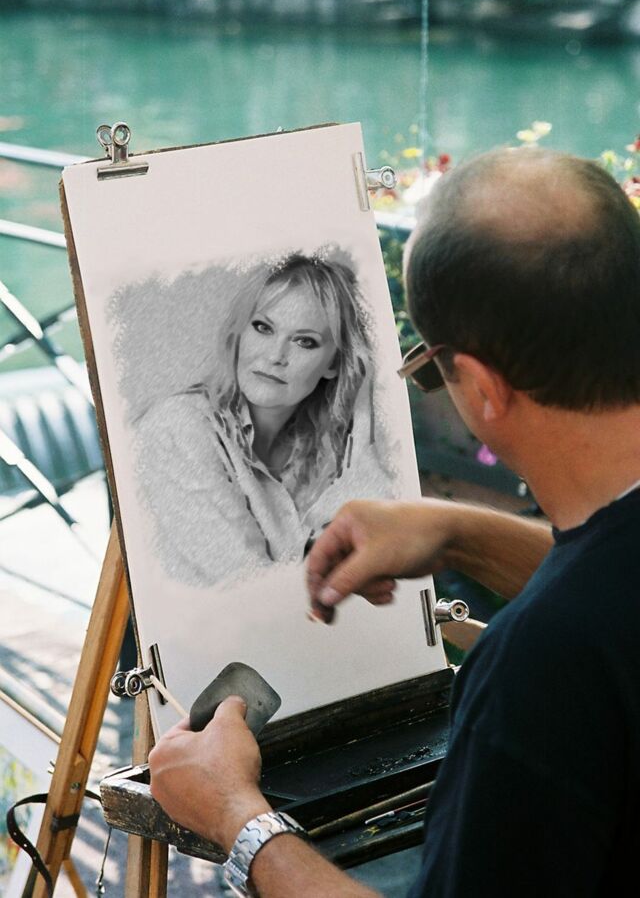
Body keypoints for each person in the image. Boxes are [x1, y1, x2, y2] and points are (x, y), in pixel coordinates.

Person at [148, 146, 640, 896]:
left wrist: (238, 819)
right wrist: (459, 531)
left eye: (429, 370)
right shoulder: (585, 624)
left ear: (480, 387)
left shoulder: (536, 672)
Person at [134, 252, 392, 585]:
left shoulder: (320, 455)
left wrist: (362, 407)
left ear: (333, 364)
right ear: (240, 333)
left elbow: (370, 553)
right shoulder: (176, 427)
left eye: (305, 342)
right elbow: (248, 585)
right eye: (263, 327)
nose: (275, 356)